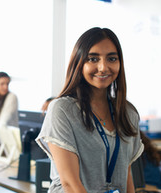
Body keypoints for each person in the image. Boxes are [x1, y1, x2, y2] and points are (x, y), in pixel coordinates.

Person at [36, 27, 143, 193]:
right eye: (93, 59)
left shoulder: (129, 113)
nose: (103, 67)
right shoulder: (62, 110)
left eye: (112, 59)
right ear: (79, 63)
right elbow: (70, 184)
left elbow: (126, 175)